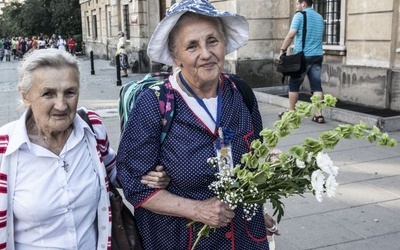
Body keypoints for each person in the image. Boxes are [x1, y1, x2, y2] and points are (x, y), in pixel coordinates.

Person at [116, 0, 278, 249]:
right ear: (175, 56)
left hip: (243, 236)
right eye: (192, 46)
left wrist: (267, 171)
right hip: (181, 240)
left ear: (224, 43)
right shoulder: (155, 103)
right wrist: (197, 209)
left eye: (212, 41)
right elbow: (135, 185)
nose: (205, 53)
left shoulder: (240, 92)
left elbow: (255, 157)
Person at [0, 48, 168, 248]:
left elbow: (114, 172)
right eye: (48, 94)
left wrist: (149, 175)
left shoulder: (92, 128)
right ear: (26, 96)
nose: (61, 105)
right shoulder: (6, 147)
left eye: (70, 92)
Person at [279, 0, 325, 123]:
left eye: (298, 3)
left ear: (303, 3)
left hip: (303, 57)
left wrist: (283, 50)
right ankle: (319, 115)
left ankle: (292, 112)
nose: (297, 6)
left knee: (294, 84)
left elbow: (291, 35)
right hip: (317, 56)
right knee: (316, 85)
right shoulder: (320, 17)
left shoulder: (299, 15)